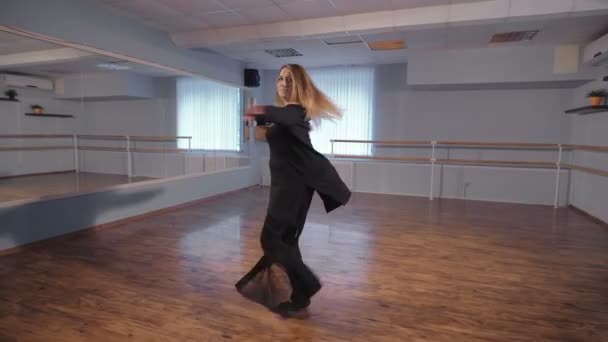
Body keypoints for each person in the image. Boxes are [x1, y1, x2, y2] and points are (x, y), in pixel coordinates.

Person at [235, 64, 351, 316]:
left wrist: (258, 111)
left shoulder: (296, 111)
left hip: (293, 186)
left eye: (290, 79)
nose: (284, 83)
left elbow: (280, 116)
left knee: (271, 238)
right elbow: (264, 134)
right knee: (286, 240)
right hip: (284, 185)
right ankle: (299, 297)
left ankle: (307, 283)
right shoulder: (286, 116)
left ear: (299, 84)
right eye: (280, 78)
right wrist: (258, 121)